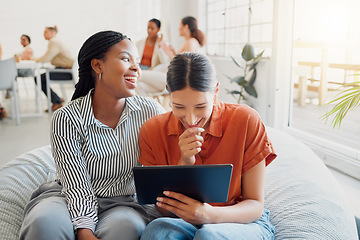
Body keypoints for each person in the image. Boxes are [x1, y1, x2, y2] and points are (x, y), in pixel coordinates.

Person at [19, 30, 165, 240]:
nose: (136, 68)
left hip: (124, 202)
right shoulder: (66, 117)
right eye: (126, 59)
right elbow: (76, 184)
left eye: (138, 62)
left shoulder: (150, 111)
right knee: (45, 224)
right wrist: (84, 230)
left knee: (126, 228)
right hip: (67, 196)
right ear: (98, 66)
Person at [138, 52, 277, 240]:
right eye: (179, 107)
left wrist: (209, 215)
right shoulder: (152, 130)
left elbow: (255, 205)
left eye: (200, 106)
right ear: (168, 95)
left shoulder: (246, 120)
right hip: (183, 221)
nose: (191, 119)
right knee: (156, 231)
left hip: (240, 221)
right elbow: (164, 211)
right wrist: (184, 163)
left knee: (209, 235)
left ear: (216, 91)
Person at [35, 25, 74, 112]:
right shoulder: (56, 41)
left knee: (39, 78)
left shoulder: (53, 42)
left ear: (52, 33)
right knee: (42, 77)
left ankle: (57, 101)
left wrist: (32, 59)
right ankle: (57, 99)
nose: (43, 34)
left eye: (45, 32)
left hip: (66, 72)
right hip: (65, 70)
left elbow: (46, 59)